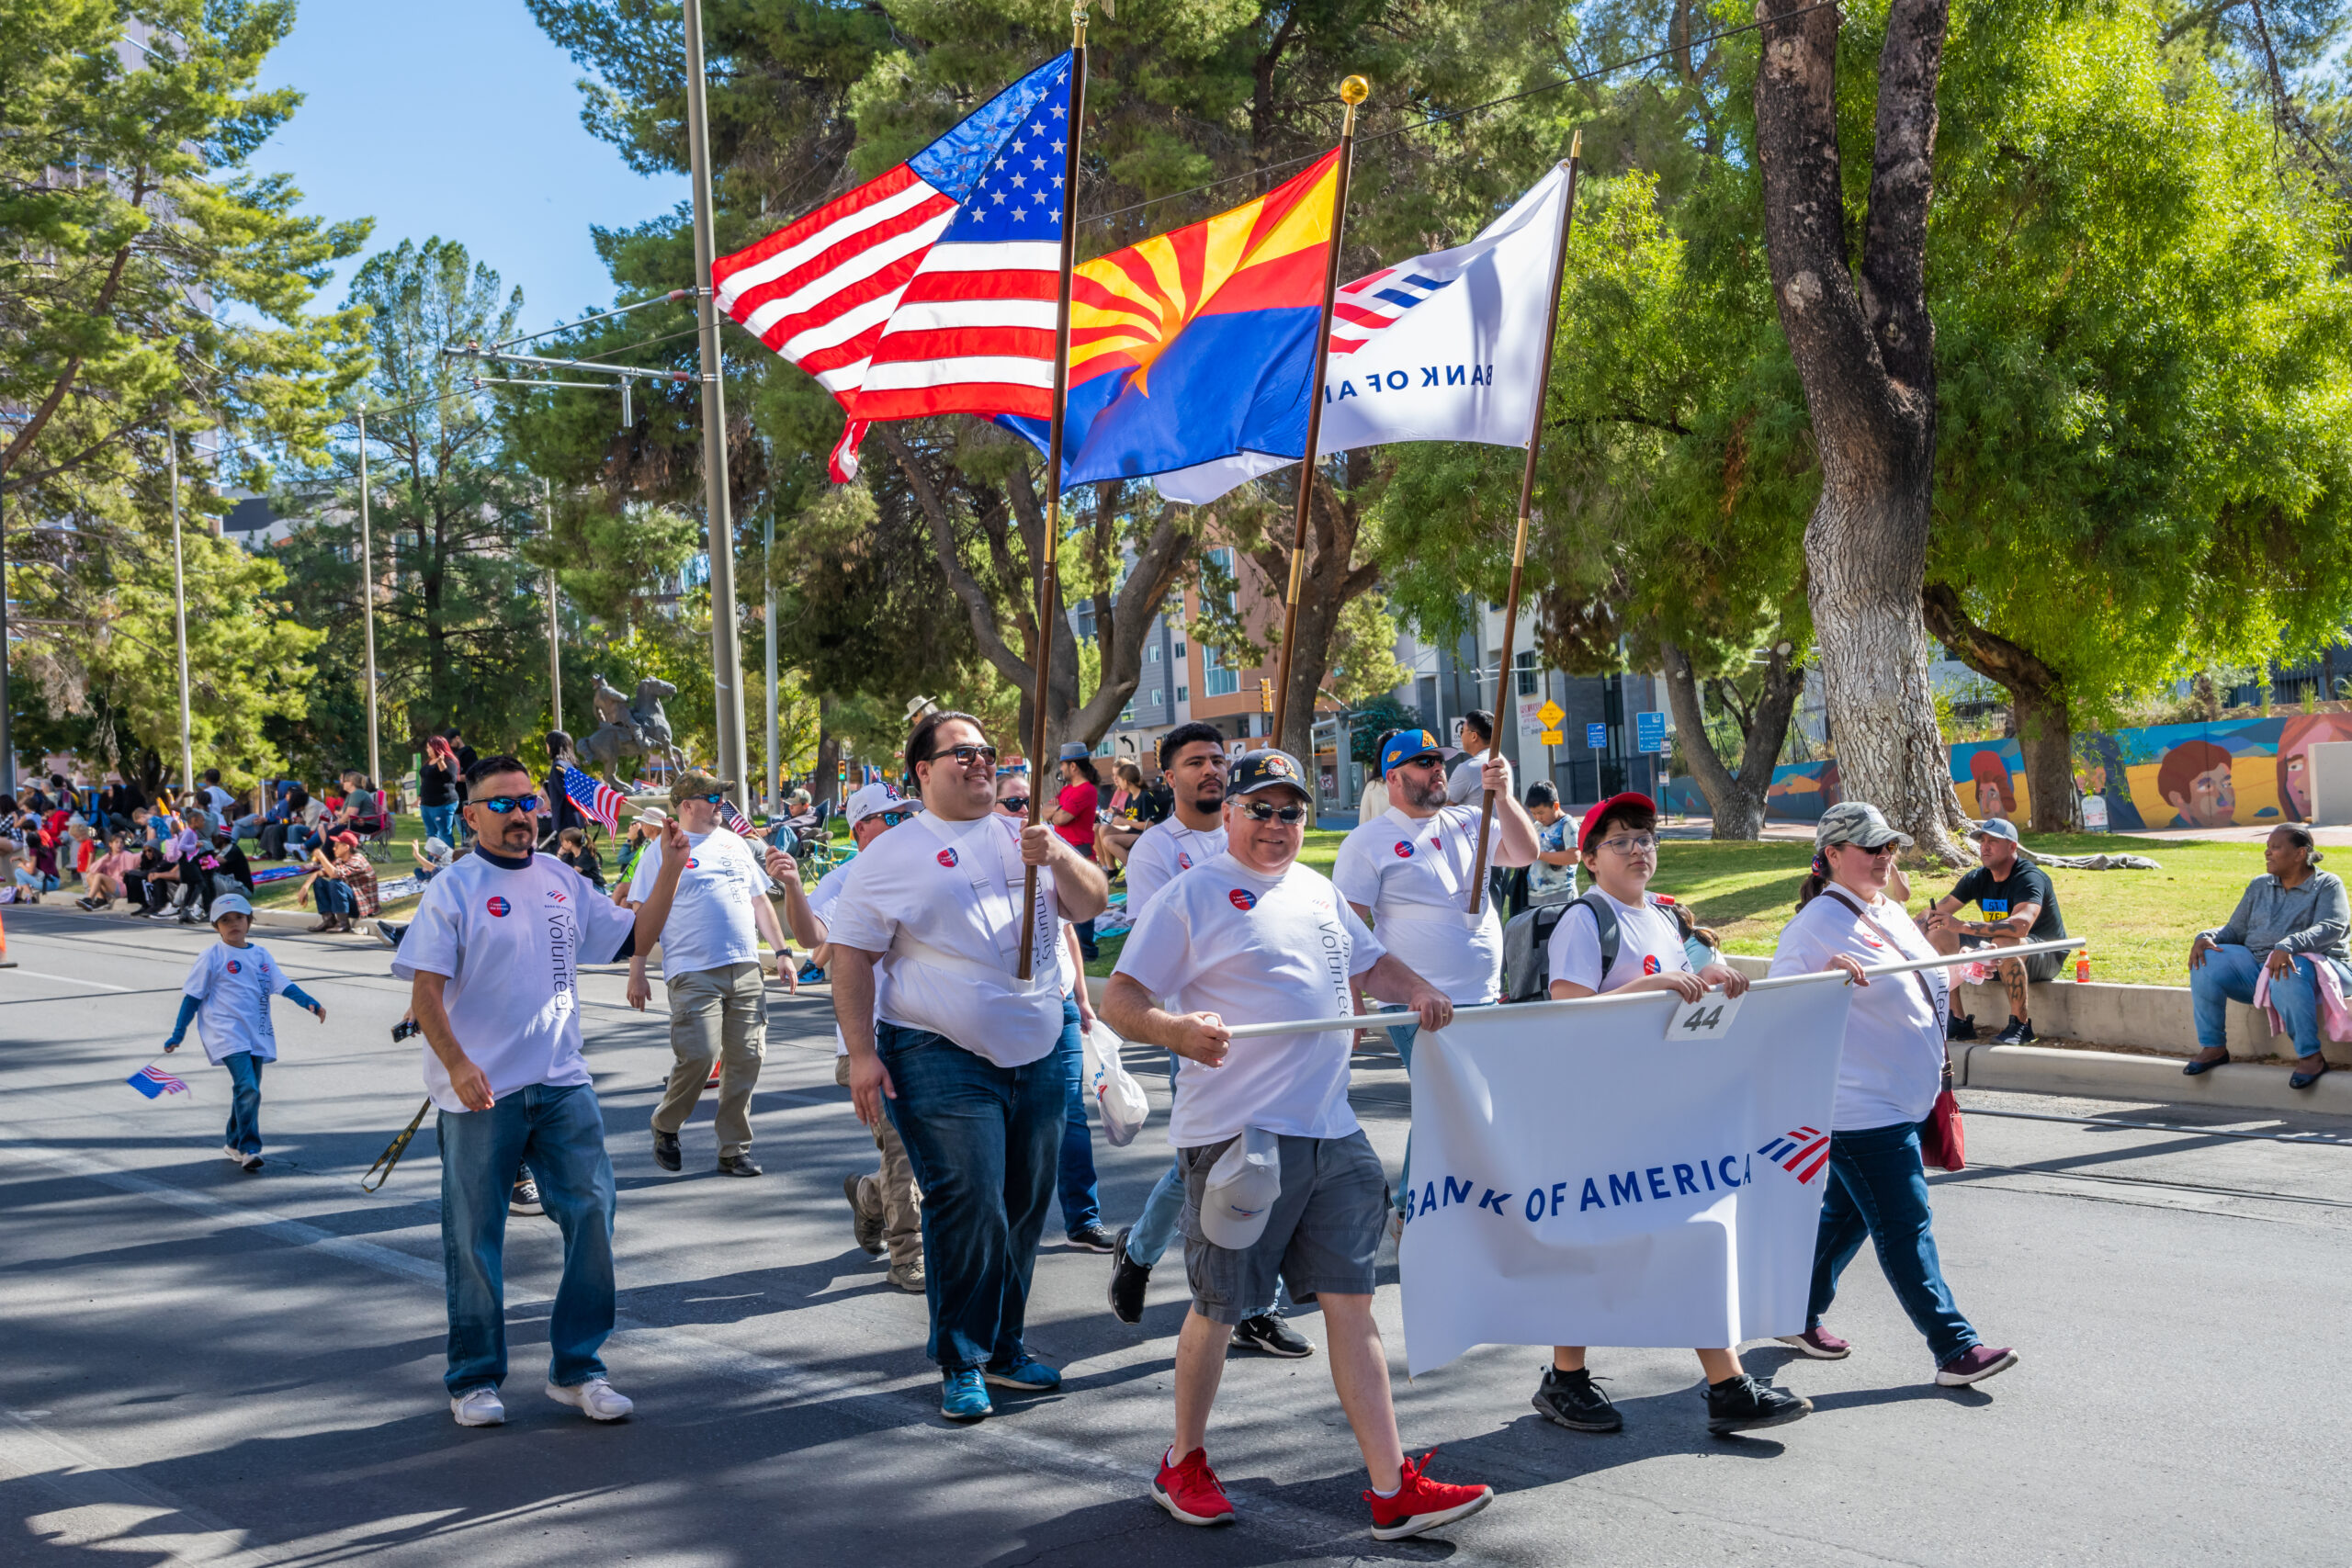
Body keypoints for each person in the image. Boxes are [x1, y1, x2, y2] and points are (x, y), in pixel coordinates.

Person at [1101, 749, 1496, 1542]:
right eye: (1262, 809)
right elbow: (1121, 997)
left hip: (1333, 1131)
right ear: (1233, 812)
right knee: (1219, 1306)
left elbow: (1373, 960)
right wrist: (1176, 1029)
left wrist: (1416, 987)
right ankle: (1183, 1460)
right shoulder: (1191, 894)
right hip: (1237, 1137)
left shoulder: (1316, 888)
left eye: (1292, 812)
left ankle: (1391, 1487)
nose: (1278, 825)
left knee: (1353, 1303)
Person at [824, 710, 1109, 1422]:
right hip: (935, 1049)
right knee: (968, 1198)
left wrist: (1059, 856)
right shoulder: (887, 857)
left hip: (1040, 1042)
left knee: (1023, 1200)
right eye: (962, 754)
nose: (980, 763)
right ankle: (961, 1357)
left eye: (986, 752)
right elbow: (852, 958)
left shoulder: (1025, 837)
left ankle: (1006, 1346)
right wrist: (862, 1054)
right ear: (922, 771)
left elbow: (1090, 902)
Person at [394, 753, 692, 1428]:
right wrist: (461, 1064)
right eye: (502, 804)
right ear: (471, 816)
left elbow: (634, 938)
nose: (521, 814)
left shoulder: (562, 878)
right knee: (476, 1236)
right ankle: (474, 1377)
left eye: (527, 801)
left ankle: (578, 1367)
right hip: (479, 1093)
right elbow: (425, 994)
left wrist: (670, 866)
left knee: (592, 1212)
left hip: (561, 1082)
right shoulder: (455, 888)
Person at [1532, 792, 1802, 1436]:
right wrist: (1647, 988)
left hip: (1669, 1110)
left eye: (1645, 837)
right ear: (1591, 858)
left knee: (1697, 1236)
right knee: (1597, 1246)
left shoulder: (1662, 917)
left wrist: (1718, 979)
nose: (1637, 849)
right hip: (1601, 1113)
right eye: (1620, 840)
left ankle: (1727, 1383)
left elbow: (1690, 994)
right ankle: (1565, 1377)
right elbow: (1566, 1011)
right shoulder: (1584, 918)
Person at [1768, 801, 2018, 1388]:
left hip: (1907, 1095)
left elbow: (1920, 975)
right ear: (1832, 855)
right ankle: (1955, 1347)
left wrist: (1972, 966)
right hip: (1858, 1107)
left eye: (1888, 847)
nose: (1884, 857)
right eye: (1870, 848)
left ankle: (1791, 1310)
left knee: (1850, 1214)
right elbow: (1776, 1010)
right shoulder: (1812, 927)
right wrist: (1820, 978)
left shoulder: (1886, 910)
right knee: (1905, 1222)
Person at [1106, 722, 1312, 1345]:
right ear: (1168, 777)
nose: (1211, 768)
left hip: (1276, 1032)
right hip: (1203, 1033)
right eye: (1195, 761)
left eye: (1219, 758)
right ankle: (1152, 1258)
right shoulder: (1156, 851)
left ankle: (1248, 1299)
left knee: (1262, 1157)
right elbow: (1152, 952)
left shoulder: (1254, 831)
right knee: (1214, 1161)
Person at [1334, 727, 1538, 1233]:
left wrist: (1506, 798)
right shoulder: (1368, 842)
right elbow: (1344, 930)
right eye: (1424, 764)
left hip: (1483, 996)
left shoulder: (1473, 817)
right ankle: (1411, 1210)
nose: (1437, 771)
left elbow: (1525, 852)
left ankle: (1442, 1205)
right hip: (1413, 1002)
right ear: (1394, 777)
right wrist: (1352, 1000)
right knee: (1446, 1100)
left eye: (1440, 762)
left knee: (1455, 1104)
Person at [766, 783, 928, 1292]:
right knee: (904, 1154)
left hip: (936, 1039)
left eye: (909, 816)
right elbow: (812, 937)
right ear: (861, 828)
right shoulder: (848, 877)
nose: (907, 826)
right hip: (872, 1044)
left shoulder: (930, 867)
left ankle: (869, 1197)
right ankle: (908, 1256)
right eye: (893, 819)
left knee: (929, 1157)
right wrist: (793, 885)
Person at [628, 771, 796, 1179]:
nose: (720, 804)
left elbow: (760, 902)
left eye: (721, 798)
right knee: (701, 1054)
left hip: (744, 967)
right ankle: (666, 1124)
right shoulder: (663, 851)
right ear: (686, 805)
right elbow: (640, 915)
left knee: (747, 1058)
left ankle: (733, 1149)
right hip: (691, 968)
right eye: (711, 798)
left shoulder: (735, 844)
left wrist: (783, 952)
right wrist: (637, 970)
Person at [995, 772, 1117, 1254]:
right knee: (1004, 1118)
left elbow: (1071, 929)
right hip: (1002, 1006)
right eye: (1012, 803)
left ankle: (1083, 1218)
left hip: (1059, 1002)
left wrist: (1083, 999)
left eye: (1028, 802)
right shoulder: (981, 858)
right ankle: (1001, 1219)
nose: (1022, 812)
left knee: (1068, 1114)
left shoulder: (1053, 851)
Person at [160, 894, 325, 1172]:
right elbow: (192, 997)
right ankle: (250, 1147)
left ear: (249, 921)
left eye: (239, 918)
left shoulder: (260, 954)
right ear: (216, 926)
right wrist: (178, 1034)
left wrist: (310, 1003)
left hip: (257, 1031)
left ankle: (233, 1141)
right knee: (247, 1087)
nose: (233, 924)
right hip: (225, 1033)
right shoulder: (212, 956)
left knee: (248, 1089)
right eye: (225, 920)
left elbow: (282, 984)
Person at [2184, 824, 2349, 1089]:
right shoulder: (2259, 886)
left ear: (2299, 854)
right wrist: (2206, 937)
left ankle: (2311, 1056)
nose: (2267, 853)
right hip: (2260, 969)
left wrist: (2288, 945)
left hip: (2322, 968)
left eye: (2275, 847)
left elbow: (2332, 926)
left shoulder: (2327, 884)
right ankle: (2214, 1047)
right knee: (2207, 959)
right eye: (2267, 847)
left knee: (2287, 968)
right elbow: (2234, 930)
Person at [1922, 818, 2068, 1044]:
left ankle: (2021, 1026)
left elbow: (2021, 926)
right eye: (1982, 841)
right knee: (1938, 933)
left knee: (2003, 941)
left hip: (2046, 954)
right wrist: (1899, 934)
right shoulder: (1977, 878)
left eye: (1993, 841)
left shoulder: (2029, 877)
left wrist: (1962, 926)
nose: (1984, 847)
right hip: (1997, 950)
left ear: (2012, 847)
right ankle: (1957, 1021)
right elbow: (1933, 913)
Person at [1051, 742, 1104, 960]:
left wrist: (1055, 813)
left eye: (1063, 765)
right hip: (1066, 849)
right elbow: (1052, 810)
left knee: (1082, 901)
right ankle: (1078, 950)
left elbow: (1061, 817)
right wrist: (1057, 812)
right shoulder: (1067, 790)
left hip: (1080, 851)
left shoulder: (1086, 790)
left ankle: (1087, 952)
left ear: (1073, 766)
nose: (1061, 769)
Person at [1521, 779, 1578, 910]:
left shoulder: (1568, 825)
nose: (1538, 817)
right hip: (1535, 898)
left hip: (1561, 897)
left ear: (1555, 806)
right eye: (1533, 813)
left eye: (1541, 812)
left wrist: (1539, 855)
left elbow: (1574, 857)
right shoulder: (1537, 826)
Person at [1097, 760, 1152, 877]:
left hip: (1143, 835)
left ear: (1126, 781)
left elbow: (1150, 825)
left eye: (1119, 778)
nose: (1116, 781)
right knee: (1103, 829)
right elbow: (1130, 818)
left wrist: (1124, 821)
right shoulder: (1130, 798)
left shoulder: (1144, 797)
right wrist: (1119, 815)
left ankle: (1135, 872)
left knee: (1108, 840)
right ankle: (1112, 869)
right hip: (1131, 831)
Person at [1444, 710, 1498, 806]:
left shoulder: (1467, 769)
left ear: (1474, 736)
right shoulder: (1502, 762)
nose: (1460, 736)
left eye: (1462, 731)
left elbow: (1446, 805)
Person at [419, 734, 461, 848]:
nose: (427, 750)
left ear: (437, 747)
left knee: (444, 833)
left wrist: (441, 762)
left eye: (429, 747)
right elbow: (426, 780)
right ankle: (432, 861)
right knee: (431, 834)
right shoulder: (429, 761)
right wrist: (420, 796)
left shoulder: (449, 761)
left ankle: (447, 860)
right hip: (426, 804)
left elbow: (450, 779)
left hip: (443, 804)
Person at [78, 833, 138, 910]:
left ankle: (89, 899)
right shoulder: (107, 857)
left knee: (99, 876)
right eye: (116, 842)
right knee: (90, 876)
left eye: (121, 842)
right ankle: (101, 900)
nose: (119, 844)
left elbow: (136, 861)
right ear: (110, 844)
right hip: (109, 887)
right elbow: (92, 870)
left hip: (121, 887)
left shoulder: (127, 855)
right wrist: (104, 860)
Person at [555, 827, 603, 891]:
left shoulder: (585, 855)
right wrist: (559, 855)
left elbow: (572, 874)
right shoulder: (572, 854)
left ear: (569, 843)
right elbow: (558, 867)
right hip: (585, 887)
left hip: (596, 888)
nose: (561, 844)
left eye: (562, 841)